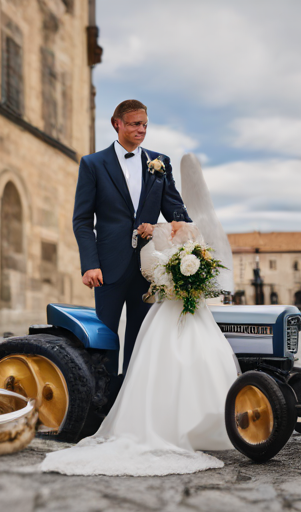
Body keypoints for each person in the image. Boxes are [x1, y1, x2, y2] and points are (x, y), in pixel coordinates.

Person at [40, 221, 239, 476]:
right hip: (165, 303)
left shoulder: (190, 230)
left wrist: (191, 280)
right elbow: (150, 270)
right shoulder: (155, 235)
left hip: (191, 306)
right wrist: (173, 278)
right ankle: (153, 420)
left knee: (206, 355)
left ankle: (213, 422)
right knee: (158, 359)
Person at [72, 99, 191, 379]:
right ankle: (103, 401)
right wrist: (90, 264)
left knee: (141, 340)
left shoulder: (160, 164)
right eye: (136, 124)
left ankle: (132, 401)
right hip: (107, 267)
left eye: (145, 125)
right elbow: (82, 220)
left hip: (149, 269)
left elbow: (178, 215)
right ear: (118, 124)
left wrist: (158, 227)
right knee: (104, 340)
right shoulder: (93, 164)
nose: (142, 130)